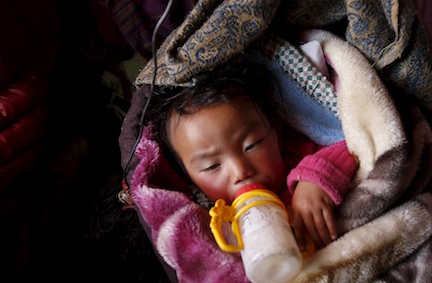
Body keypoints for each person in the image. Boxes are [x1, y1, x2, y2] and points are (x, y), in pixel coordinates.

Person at [151, 61, 357, 251]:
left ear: (276, 130)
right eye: (212, 166)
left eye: (252, 145)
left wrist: (314, 179)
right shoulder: (212, 218)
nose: (240, 171)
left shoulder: (295, 154)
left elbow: (350, 143)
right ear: (189, 178)